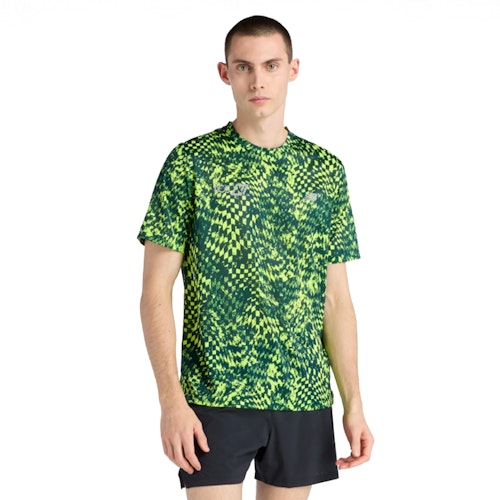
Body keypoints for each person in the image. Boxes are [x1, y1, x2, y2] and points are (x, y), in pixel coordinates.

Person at [137, 14, 373, 500]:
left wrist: (353, 404)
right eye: (244, 67)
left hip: (303, 394)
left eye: (271, 65)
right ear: (225, 73)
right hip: (213, 395)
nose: (258, 81)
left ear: (293, 69)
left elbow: (336, 300)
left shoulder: (325, 170)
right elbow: (155, 292)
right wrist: (171, 401)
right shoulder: (191, 163)